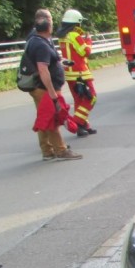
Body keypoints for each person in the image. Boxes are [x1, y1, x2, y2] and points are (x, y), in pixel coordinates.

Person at [24, 11, 82, 161]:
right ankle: (61, 150)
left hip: (42, 86)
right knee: (52, 117)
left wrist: (59, 63)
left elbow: (47, 63)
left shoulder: (39, 39)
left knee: (44, 117)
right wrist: (52, 93)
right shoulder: (40, 43)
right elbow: (43, 69)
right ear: (46, 24)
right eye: (50, 20)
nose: (52, 23)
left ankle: (47, 150)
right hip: (43, 87)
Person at [57, 9, 97, 137]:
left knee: (79, 100)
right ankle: (77, 122)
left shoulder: (63, 36)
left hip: (70, 74)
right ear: (77, 23)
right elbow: (85, 52)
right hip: (80, 73)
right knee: (91, 98)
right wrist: (89, 41)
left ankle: (84, 126)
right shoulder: (74, 35)